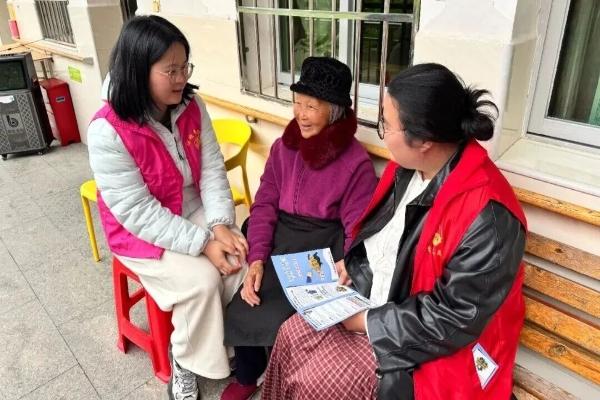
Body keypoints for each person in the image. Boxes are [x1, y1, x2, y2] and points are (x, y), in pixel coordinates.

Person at [261, 63, 527, 400]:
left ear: (424, 140)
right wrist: (354, 266)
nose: (381, 133)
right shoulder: (408, 171)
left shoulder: (489, 216)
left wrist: (367, 322)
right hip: (380, 302)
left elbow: (455, 317)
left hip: (431, 338)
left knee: (318, 381)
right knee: (289, 334)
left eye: (386, 125)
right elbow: (387, 245)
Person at [87, 15, 247, 400]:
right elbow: (137, 211)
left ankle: (225, 343)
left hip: (190, 206)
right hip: (140, 230)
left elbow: (211, 167)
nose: (181, 78)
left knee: (240, 255)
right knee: (201, 280)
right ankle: (184, 360)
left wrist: (220, 224)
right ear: (138, 71)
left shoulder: (191, 104)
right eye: (170, 70)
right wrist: (203, 243)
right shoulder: (108, 129)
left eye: (184, 67)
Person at [221, 57, 378, 400]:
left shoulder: (355, 163)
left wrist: (348, 263)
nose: (301, 114)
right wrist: (257, 258)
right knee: (247, 300)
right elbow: (264, 204)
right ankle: (249, 373)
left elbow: (357, 227)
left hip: (322, 245)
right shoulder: (283, 148)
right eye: (297, 102)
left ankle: (284, 378)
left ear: (334, 111)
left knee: (285, 316)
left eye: (311, 106)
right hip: (281, 235)